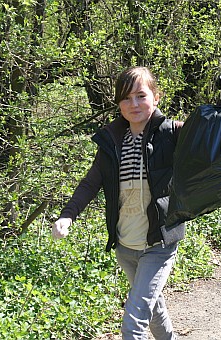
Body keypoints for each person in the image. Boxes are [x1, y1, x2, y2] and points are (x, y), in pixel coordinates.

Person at [51, 66, 184, 340]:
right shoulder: (113, 142)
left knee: (133, 325)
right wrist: (68, 215)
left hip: (158, 244)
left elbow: (208, 144)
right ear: (118, 104)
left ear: (156, 97)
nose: (133, 104)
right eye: (125, 98)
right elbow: (90, 183)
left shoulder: (172, 134)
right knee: (153, 306)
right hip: (126, 246)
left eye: (140, 95)